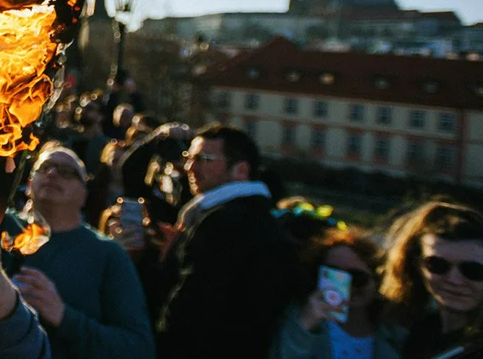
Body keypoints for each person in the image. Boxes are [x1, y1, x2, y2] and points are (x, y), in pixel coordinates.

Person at [154, 124, 294, 358]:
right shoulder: (262, 218)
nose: (189, 167)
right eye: (189, 157)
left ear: (241, 170)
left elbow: (190, 310)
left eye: (204, 159)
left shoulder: (222, 222)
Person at [11, 144, 155, 358]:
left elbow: (138, 348)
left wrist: (63, 317)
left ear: (84, 195)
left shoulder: (108, 253)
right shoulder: (0, 230)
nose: (52, 173)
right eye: (44, 167)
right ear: (29, 184)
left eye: (66, 172)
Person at [270, 227, 402, 359]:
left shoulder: (394, 334)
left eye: (357, 278)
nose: (346, 285)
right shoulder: (298, 319)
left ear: (377, 282)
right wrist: (304, 326)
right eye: (332, 275)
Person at [379, 200, 483, 359]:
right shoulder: (421, 332)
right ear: (416, 266)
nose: (454, 280)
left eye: (473, 270)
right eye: (437, 265)